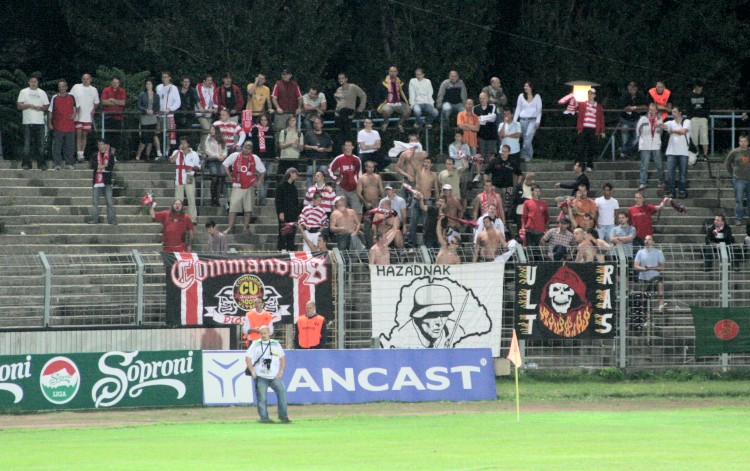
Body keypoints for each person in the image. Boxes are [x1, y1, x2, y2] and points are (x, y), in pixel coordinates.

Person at [245, 326, 290, 424]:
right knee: (262, 398)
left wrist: (281, 372)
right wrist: (252, 371)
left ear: (269, 333)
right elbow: (248, 358)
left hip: (274, 376)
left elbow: (282, 358)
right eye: (261, 333)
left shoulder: (276, 344)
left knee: (282, 393)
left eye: (265, 333)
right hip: (261, 375)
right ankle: (264, 418)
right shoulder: (255, 344)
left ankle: (283, 416)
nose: (263, 335)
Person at [223, 141, 266, 234]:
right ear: (242, 147)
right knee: (233, 207)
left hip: (249, 185)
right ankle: (230, 227)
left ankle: (245, 228)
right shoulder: (235, 155)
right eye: (246, 147)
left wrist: (259, 181)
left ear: (251, 150)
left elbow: (262, 171)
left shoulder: (255, 158)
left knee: (248, 208)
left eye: (249, 148)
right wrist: (230, 177)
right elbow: (225, 164)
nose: (247, 149)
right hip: (237, 185)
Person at [17, 73, 50, 171]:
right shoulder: (23, 92)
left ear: (37, 82)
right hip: (27, 122)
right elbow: (19, 106)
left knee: (41, 145)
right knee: (27, 144)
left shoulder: (42, 92)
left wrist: (40, 108)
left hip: (39, 123)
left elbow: (46, 106)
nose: (33, 83)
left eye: (35, 82)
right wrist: (29, 105)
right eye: (31, 82)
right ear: (28, 82)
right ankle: (26, 164)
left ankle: (42, 164)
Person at [408, 156, 439, 247]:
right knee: (413, 222)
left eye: (428, 162)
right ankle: (411, 243)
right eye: (425, 162)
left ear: (431, 164)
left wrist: (437, 200)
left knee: (427, 223)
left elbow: (436, 189)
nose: (426, 164)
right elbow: (412, 161)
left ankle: (427, 243)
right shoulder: (418, 171)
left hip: (427, 201)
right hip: (416, 199)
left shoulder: (434, 175)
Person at [661, 104, 691, 199]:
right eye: (672, 112)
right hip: (671, 152)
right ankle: (671, 191)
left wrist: (672, 131)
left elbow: (683, 131)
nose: (673, 114)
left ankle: (682, 190)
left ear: (680, 113)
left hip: (683, 152)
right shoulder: (670, 123)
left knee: (683, 173)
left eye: (675, 112)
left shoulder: (686, 121)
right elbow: (662, 125)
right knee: (670, 173)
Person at [484, 144, 522, 217]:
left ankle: (505, 221)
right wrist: (488, 185)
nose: (503, 153)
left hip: (508, 187)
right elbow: (486, 173)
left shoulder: (512, 162)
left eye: (505, 151)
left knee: (507, 206)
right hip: (496, 187)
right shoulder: (494, 161)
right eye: (502, 151)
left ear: (509, 152)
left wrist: (518, 185)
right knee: (495, 204)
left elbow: (519, 174)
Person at [49, 79, 78, 170]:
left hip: (70, 126)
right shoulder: (55, 98)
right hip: (58, 126)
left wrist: (75, 114)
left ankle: (69, 163)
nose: (61, 88)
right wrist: (50, 123)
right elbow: (50, 111)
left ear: (66, 87)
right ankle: (57, 163)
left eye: (63, 86)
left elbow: (77, 107)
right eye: (60, 87)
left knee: (70, 146)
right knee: (57, 147)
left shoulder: (72, 97)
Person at [170, 136, 201, 221]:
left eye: (184, 143)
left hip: (189, 177)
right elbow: (172, 160)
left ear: (188, 144)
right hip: (179, 177)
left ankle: (192, 219)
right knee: (178, 199)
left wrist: (192, 168)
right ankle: (176, 217)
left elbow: (198, 167)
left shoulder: (194, 154)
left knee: (191, 198)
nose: (182, 144)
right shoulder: (176, 152)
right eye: (181, 142)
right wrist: (179, 151)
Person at [636, 102, 665, 190]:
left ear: (656, 110)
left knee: (659, 164)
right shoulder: (643, 119)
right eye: (650, 109)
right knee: (644, 165)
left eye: (653, 110)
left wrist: (658, 127)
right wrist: (642, 139)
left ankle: (661, 182)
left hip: (655, 145)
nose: (651, 111)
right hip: (645, 145)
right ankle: (643, 182)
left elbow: (661, 132)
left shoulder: (659, 119)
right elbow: (638, 130)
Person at [70, 73, 99, 162]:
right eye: (83, 78)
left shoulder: (94, 90)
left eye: (87, 79)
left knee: (84, 135)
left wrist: (94, 109)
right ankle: (78, 153)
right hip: (78, 115)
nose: (85, 80)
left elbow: (97, 102)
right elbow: (70, 98)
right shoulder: (76, 87)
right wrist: (74, 110)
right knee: (78, 134)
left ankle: (82, 153)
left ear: (90, 80)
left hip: (87, 116)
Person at [634, 234, 667, 312]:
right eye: (646, 239)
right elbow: (636, 266)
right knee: (644, 297)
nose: (647, 241)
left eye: (649, 239)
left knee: (660, 284)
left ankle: (661, 305)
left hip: (655, 277)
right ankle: (646, 315)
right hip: (643, 278)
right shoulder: (640, 252)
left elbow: (662, 266)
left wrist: (651, 268)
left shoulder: (658, 252)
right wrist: (643, 268)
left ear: (653, 242)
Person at [328, 141, 363, 214]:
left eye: (349, 145)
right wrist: (336, 179)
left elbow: (359, 174)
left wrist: (359, 186)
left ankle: (357, 225)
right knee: (341, 209)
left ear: (352, 147)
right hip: (341, 187)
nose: (347, 147)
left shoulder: (356, 159)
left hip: (354, 187)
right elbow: (329, 169)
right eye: (346, 145)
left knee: (358, 209)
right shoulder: (339, 158)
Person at [89, 139, 117, 225]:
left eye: (102, 144)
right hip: (96, 181)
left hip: (107, 181)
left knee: (109, 201)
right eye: (99, 145)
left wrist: (99, 166)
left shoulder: (110, 155)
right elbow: (92, 165)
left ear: (105, 145)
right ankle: (94, 219)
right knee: (95, 202)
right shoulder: (94, 155)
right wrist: (103, 166)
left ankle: (112, 220)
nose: (100, 146)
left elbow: (110, 167)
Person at [576, 88, 605, 171]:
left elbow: (601, 119)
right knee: (581, 147)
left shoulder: (598, 106)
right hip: (584, 128)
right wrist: (579, 128)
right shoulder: (583, 104)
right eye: (589, 94)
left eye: (592, 94)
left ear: (594, 95)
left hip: (593, 128)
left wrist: (602, 130)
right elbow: (580, 117)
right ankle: (580, 164)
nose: (590, 95)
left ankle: (589, 164)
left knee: (591, 148)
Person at [249, 114, 276, 205]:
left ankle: (262, 197)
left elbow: (273, 144)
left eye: (265, 120)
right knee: (261, 177)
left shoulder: (271, 130)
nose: (263, 121)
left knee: (267, 178)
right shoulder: (255, 129)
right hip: (260, 157)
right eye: (262, 120)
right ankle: (261, 198)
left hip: (270, 157)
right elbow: (254, 143)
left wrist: (275, 155)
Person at [618, 81, 648, 160]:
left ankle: (623, 151)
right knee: (625, 137)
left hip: (636, 119)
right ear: (628, 87)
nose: (632, 88)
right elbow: (624, 107)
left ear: (637, 88)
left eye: (634, 87)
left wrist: (635, 108)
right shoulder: (624, 95)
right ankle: (626, 156)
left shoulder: (640, 95)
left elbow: (645, 107)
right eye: (630, 86)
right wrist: (636, 108)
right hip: (625, 119)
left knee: (636, 137)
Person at [513, 82, 542, 162]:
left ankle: (525, 154)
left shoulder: (537, 97)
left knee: (529, 136)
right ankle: (528, 155)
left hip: (533, 120)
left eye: (527, 86)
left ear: (531, 87)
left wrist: (538, 121)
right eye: (524, 86)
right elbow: (518, 108)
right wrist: (514, 120)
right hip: (523, 120)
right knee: (526, 138)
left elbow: (539, 110)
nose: (525, 87)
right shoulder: (521, 96)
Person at [376, 66, 410, 133]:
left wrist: (405, 101)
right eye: (391, 71)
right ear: (388, 72)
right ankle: (385, 123)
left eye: (394, 71)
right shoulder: (382, 83)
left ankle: (399, 124)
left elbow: (406, 93)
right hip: (387, 103)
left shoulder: (401, 82)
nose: (393, 73)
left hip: (398, 102)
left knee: (408, 110)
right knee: (386, 110)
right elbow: (378, 95)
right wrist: (380, 103)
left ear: (397, 72)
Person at [358, 160, 384, 245]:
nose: (371, 169)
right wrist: (365, 202)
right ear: (365, 168)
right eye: (369, 167)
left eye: (372, 167)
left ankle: (378, 243)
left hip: (376, 203)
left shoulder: (377, 177)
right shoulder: (362, 178)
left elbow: (381, 189)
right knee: (367, 225)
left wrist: (383, 201)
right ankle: (368, 244)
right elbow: (358, 192)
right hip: (367, 203)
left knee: (378, 224)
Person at [725, 134, 750, 225]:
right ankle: (738, 218)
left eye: (745, 141)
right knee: (739, 199)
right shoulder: (734, 152)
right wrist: (733, 174)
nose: (743, 143)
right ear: (739, 142)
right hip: (739, 180)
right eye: (741, 141)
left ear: (748, 142)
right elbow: (727, 163)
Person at [275, 167, 302, 252]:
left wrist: (297, 212)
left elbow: (295, 201)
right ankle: (282, 248)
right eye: (296, 174)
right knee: (283, 230)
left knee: (292, 232)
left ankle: (290, 248)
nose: (297, 176)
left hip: (293, 213)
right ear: (291, 173)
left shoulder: (293, 187)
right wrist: (280, 212)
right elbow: (278, 200)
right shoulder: (281, 186)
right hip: (284, 213)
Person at [333, 71, 367, 138]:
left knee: (345, 130)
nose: (340, 80)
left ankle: (347, 142)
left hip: (348, 111)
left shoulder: (353, 87)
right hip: (339, 113)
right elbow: (337, 100)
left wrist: (361, 107)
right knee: (340, 131)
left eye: (342, 78)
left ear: (346, 79)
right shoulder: (338, 89)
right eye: (339, 78)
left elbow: (363, 95)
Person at [155, 71, 181, 156]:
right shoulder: (158, 87)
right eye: (163, 77)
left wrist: (170, 109)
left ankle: (167, 152)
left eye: (166, 77)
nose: (164, 79)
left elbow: (178, 102)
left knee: (168, 134)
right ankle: (159, 152)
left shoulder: (173, 88)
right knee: (156, 133)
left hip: (168, 115)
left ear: (169, 78)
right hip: (159, 115)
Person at [100, 76, 127, 157]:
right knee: (107, 137)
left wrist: (112, 100)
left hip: (118, 117)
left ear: (119, 83)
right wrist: (117, 102)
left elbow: (123, 103)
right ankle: (106, 155)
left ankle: (112, 156)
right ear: (111, 82)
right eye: (114, 82)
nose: (115, 84)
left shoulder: (122, 91)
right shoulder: (106, 89)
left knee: (116, 137)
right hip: (108, 117)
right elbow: (104, 102)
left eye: (117, 83)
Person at [135, 77, 160, 162]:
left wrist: (153, 111)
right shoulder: (142, 94)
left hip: (153, 118)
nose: (148, 85)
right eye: (147, 84)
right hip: (144, 117)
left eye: (150, 84)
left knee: (150, 137)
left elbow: (157, 106)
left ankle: (147, 155)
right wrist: (146, 110)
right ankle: (138, 155)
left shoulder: (156, 95)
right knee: (144, 137)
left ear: (153, 85)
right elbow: (139, 105)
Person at [303, 116, 333, 187]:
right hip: (311, 161)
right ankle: (310, 195)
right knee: (309, 179)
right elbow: (304, 146)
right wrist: (313, 147)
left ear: (322, 124)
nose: (316, 125)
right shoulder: (309, 134)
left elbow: (330, 148)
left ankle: (322, 194)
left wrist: (324, 149)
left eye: (318, 123)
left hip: (322, 161)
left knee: (323, 179)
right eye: (315, 123)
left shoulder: (326, 135)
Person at [203, 125, 228, 207]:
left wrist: (223, 156)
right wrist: (217, 156)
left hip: (221, 161)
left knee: (220, 179)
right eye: (211, 129)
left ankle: (217, 200)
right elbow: (207, 150)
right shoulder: (208, 139)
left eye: (213, 129)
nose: (211, 131)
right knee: (214, 178)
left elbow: (225, 149)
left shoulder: (221, 139)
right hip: (212, 160)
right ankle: (212, 199)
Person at [196, 75, 219, 153]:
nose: (210, 82)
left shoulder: (213, 86)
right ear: (204, 81)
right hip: (201, 113)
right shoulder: (199, 86)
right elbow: (201, 98)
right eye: (208, 80)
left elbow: (215, 96)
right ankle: (203, 150)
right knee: (207, 129)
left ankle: (201, 150)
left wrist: (215, 107)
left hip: (209, 113)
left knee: (205, 132)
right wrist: (207, 108)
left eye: (211, 80)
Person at [474, 92, 498, 167]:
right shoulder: (475, 108)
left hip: (492, 135)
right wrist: (486, 118)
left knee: (491, 154)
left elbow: (493, 118)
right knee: (481, 155)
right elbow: (475, 120)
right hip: (481, 136)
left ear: (487, 99)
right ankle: (479, 174)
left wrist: (481, 118)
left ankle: (491, 171)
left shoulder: (492, 106)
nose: (482, 100)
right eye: (480, 98)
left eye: (483, 98)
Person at [688, 81, 710, 158]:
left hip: (703, 118)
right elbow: (688, 107)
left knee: (704, 136)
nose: (699, 91)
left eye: (701, 90)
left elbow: (708, 106)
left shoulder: (705, 95)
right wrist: (690, 117)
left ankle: (705, 154)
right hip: (694, 118)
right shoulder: (690, 95)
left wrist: (706, 116)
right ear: (695, 88)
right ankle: (696, 153)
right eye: (698, 90)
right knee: (694, 137)